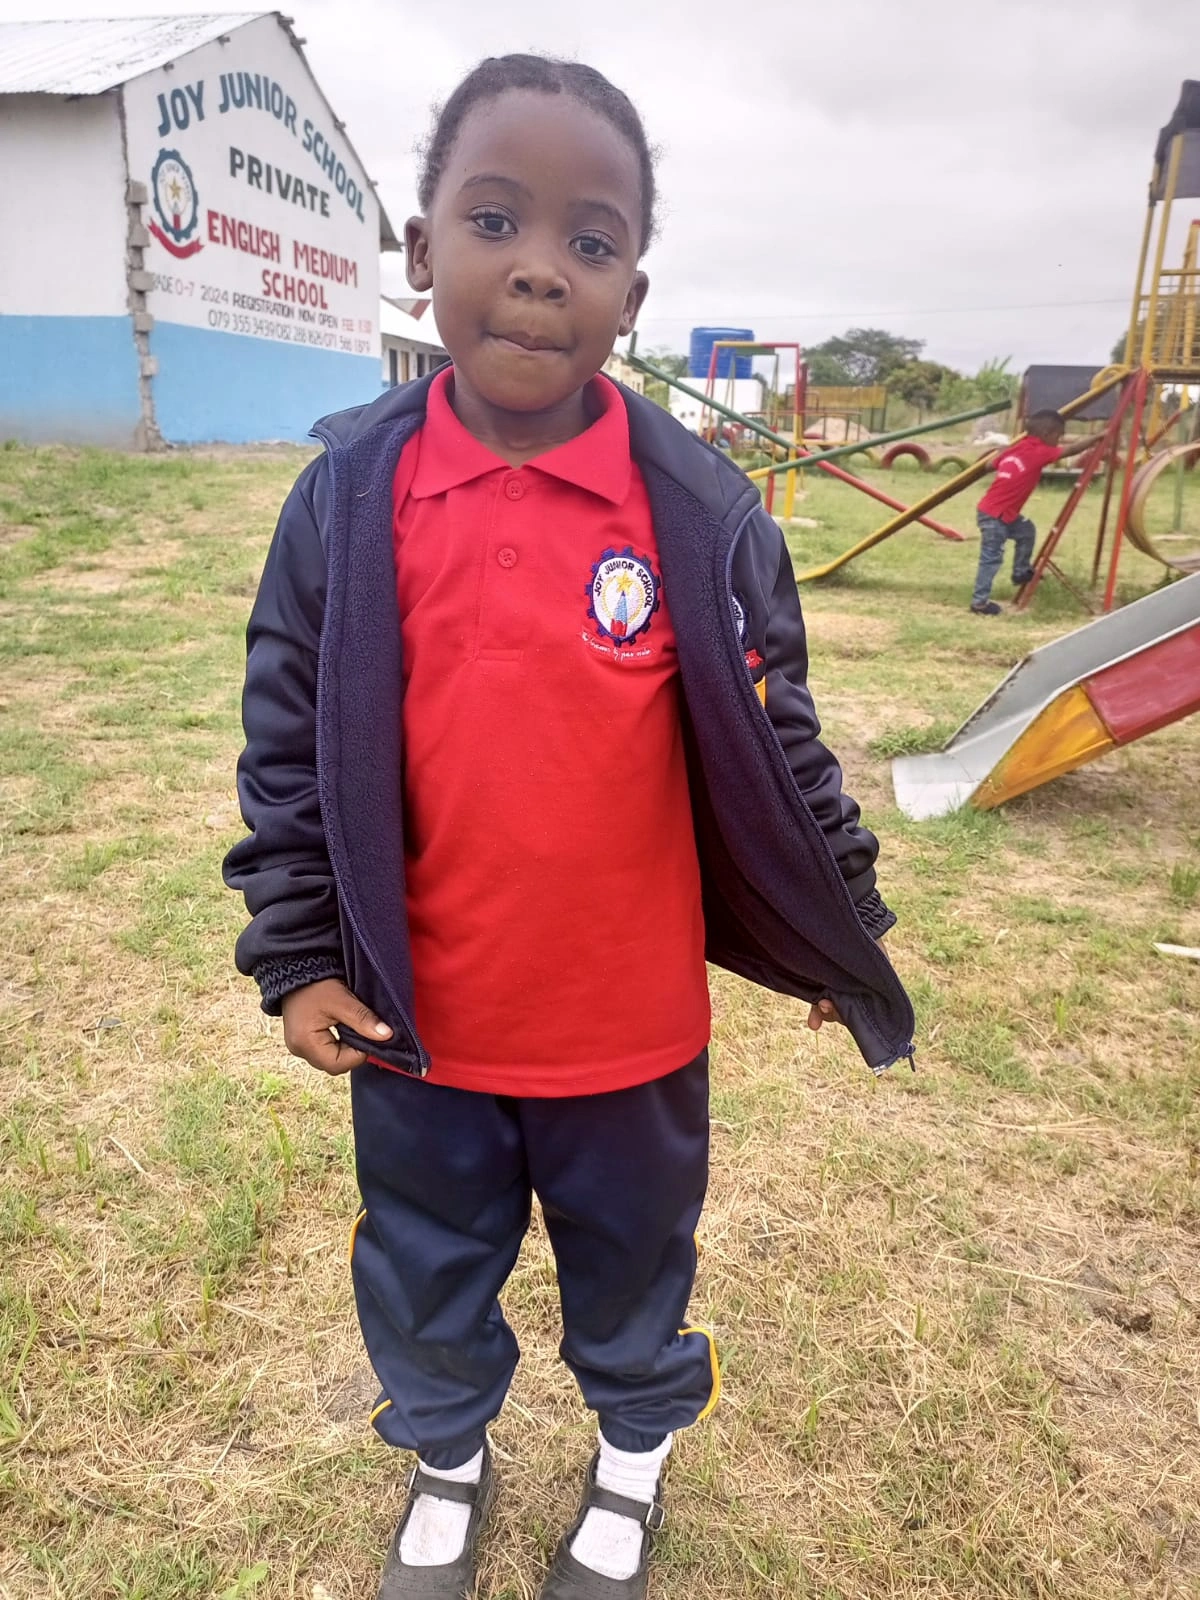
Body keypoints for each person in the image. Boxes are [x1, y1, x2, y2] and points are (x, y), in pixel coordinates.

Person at [223, 53, 914, 1600]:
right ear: (420, 256)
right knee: (424, 1269)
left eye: (589, 242)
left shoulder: (702, 516)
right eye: (494, 220)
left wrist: (836, 920)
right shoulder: (348, 497)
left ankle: (628, 1471)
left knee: (630, 1280)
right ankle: (449, 1463)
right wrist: (296, 956)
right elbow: (284, 750)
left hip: (630, 1038)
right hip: (423, 1031)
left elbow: (780, 743)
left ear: (632, 293)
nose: (540, 265)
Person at [971, 409, 1096, 615]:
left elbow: (987, 465)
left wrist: (1004, 454)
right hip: (995, 516)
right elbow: (1072, 450)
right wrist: (1097, 437)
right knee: (991, 557)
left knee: (1026, 530)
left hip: (998, 512)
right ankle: (979, 603)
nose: (1060, 439)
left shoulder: (1016, 448)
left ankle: (1020, 572)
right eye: (1058, 435)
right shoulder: (1040, 451)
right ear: (1047, 434)